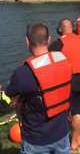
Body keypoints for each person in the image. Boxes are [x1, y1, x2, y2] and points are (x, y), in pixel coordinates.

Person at [6, 23, 72, 154]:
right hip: (62, 132)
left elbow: (10, 92)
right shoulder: (64, 61)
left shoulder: (23, 72)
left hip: (36, 139)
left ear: (27, 41)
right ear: (49, 39)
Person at [49, 18, 80, 151]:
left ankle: (73, 142)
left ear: (60, 29)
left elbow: (48, 63)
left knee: (74, 112)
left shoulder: (57, 44)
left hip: (72, 80)